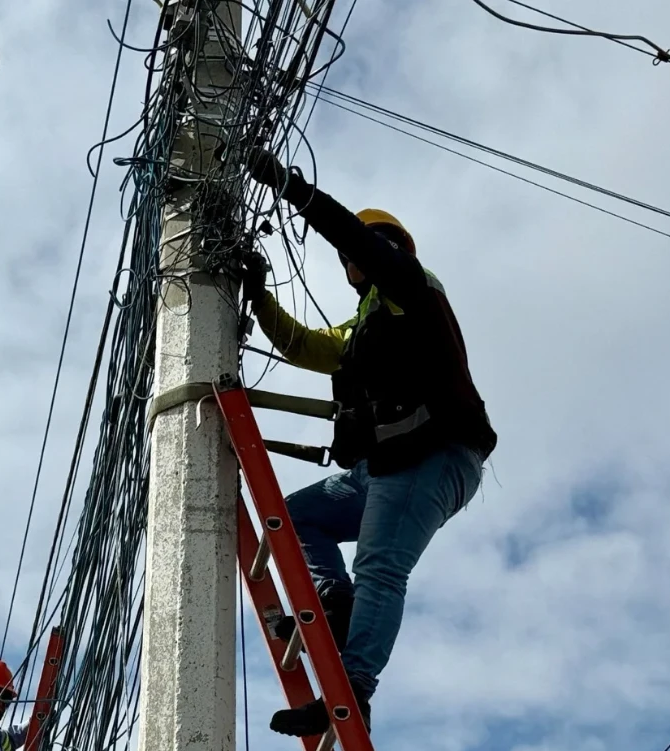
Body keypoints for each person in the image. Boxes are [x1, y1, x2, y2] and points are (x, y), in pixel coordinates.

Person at [240, 147, 498, 737]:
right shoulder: (362, 325)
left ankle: (353, 691)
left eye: (366, 244)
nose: (353, 254)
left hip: (433, 456)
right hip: (384, 468)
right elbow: (305, 347)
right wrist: (257, 295)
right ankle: (336, 604)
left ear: (391, 250)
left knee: (381, 566)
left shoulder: (412, 287)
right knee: (295, 517)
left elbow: (358, 240)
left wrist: (292, 189)